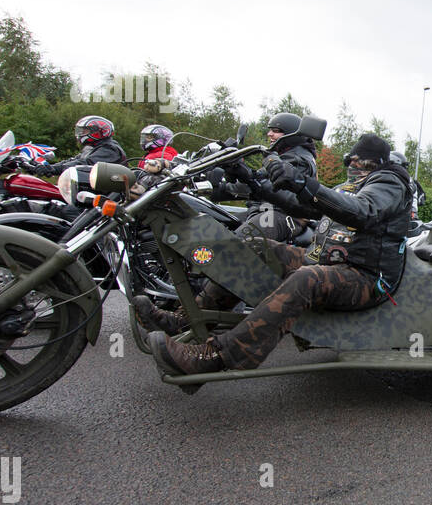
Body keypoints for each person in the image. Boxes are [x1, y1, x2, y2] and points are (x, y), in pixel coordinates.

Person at [138, 133, 413, 376]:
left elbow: (362, 211)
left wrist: (301, 181)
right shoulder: (355, 185)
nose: (352, 167)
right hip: (327, 260)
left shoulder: (390, 182)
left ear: (374, 163)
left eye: (359, 162)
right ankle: (184, 318)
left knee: (308, 278)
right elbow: (300, 205)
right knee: (254, 245)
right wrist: (254, 182)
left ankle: (218, 356)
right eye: (349, 162)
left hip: (366, 277)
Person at [224, 112, 319, 242]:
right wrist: (219, 185)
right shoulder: (283, 157)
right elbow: (256, 182)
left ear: (291, 134)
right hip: (266, 210)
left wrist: (251, 178)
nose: (269, 134)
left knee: (231, 246)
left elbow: (280, 192)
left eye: (276, 131)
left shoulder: (297, 159)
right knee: (217, 225)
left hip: (283, 215)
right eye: (270, 130)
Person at [33, 115, 127, 176]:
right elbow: (73, 160)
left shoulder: (110, 149)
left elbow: (86, 164)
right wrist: (48, 167)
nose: (81, 133)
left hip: (107, 196)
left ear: (98, 131)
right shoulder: (91, 148)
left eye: (85, 131)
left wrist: (55, 169)